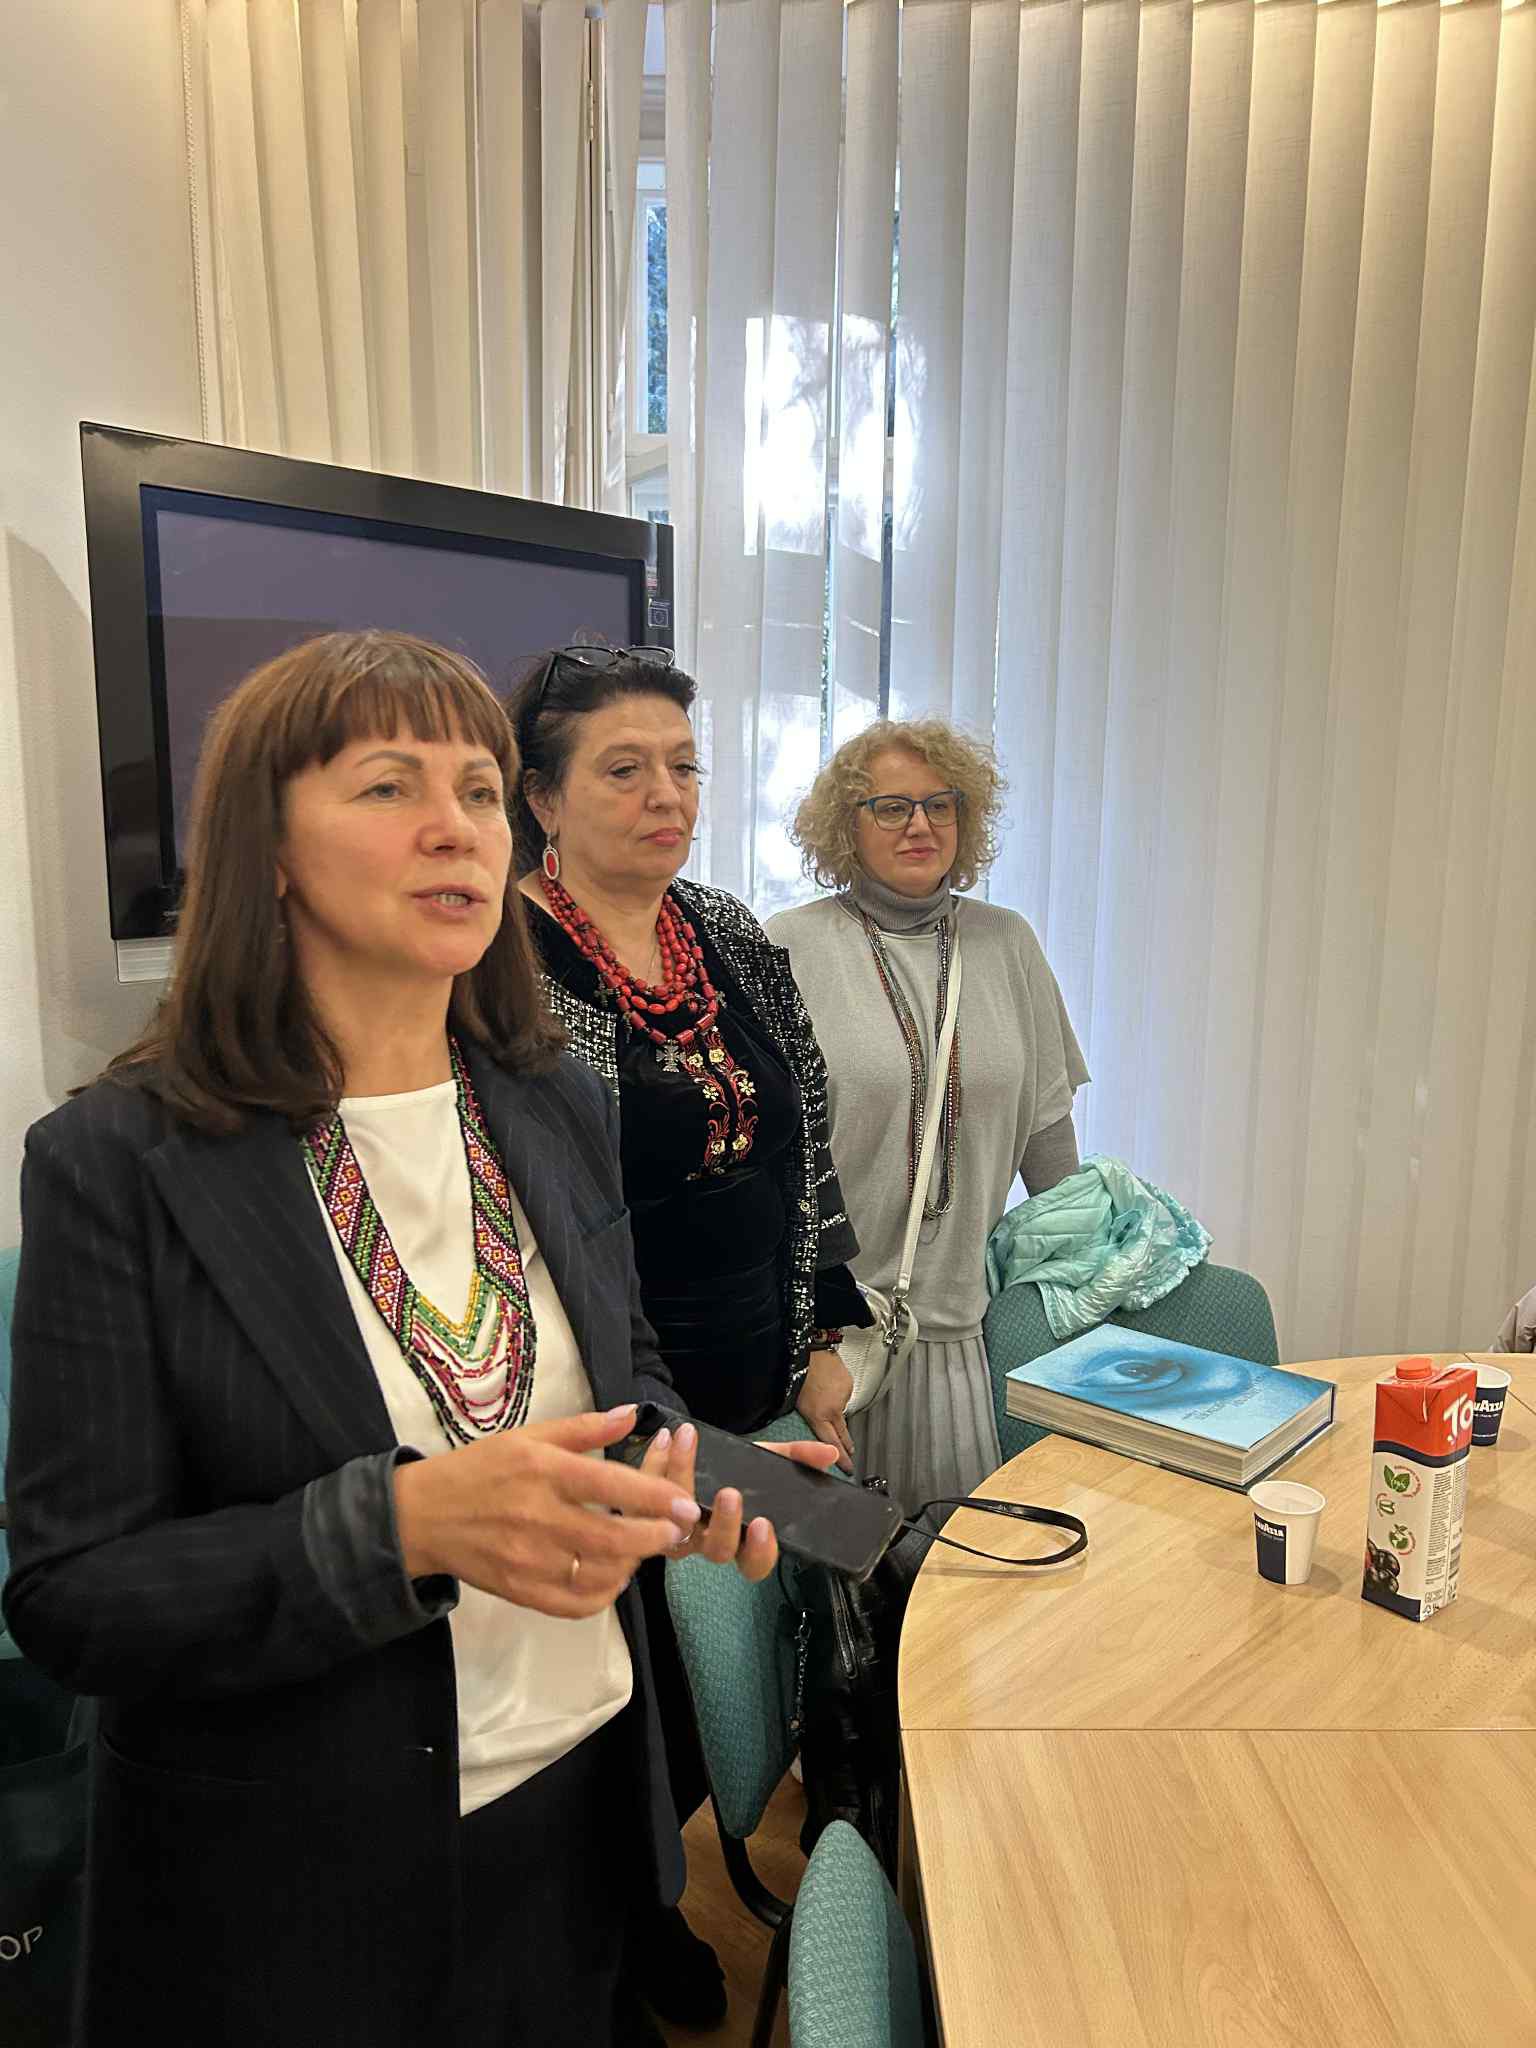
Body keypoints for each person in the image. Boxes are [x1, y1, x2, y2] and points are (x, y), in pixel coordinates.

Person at [0, 630, 838, 2048]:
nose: (457, 826)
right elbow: (73, 1596)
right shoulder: (119, 1162)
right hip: (305, 1887)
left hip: (584, 1810)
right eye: (390, 785)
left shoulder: (552, 1099)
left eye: (481, 790)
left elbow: (625, 1373)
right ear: (267, 848)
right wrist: (398, 1528)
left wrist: (682, 1470)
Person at [506, 643, 869, 2031]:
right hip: (603, 1391)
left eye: (684, 765)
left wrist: (827, 1326)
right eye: (625, 769)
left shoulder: (725, 928)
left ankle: (673, 1870)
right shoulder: (501, 961)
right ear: (543, 798)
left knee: (730, 1652)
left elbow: (805, 1131)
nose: (668, 794)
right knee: (621, 1683)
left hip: (759, 1363)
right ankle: (625, 1921)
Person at [766, 718, 1090, 1513]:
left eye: (939, 805)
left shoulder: (1008, 944)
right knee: (835, 1579)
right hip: (832, 1350)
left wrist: (1082, 1321)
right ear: (847, 825)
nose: (920, 825)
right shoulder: (788, 946)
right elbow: (764, 1175)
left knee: (956, 1572)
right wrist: (809, 1342)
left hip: (960, 1341)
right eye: (891, 807)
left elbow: (1053, 1161)